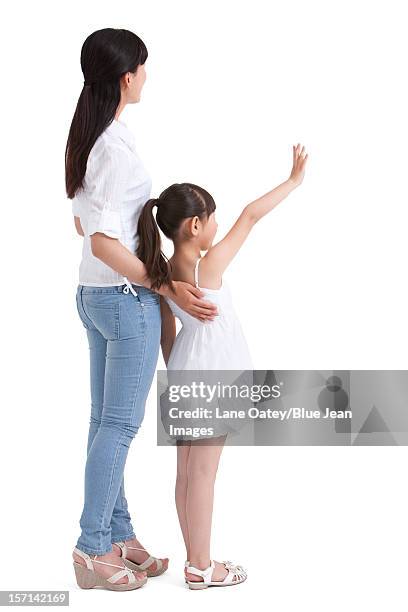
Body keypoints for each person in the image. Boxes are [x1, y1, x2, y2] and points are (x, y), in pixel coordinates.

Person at [65, 28, 218, 592]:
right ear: (127, 78)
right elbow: (103, 239)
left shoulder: (90, 137)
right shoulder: (109, 146)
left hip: (94, 296)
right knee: (118, 425)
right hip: (125, 301)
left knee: (105, 423)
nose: (147, 78)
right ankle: (91, 548)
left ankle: (117, 533)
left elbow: (81, 224)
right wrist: (165, 285)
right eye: (144, 70)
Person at [136, 143, 308, 588]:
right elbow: (250, 215)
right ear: (195, 225)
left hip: (185, 372)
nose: (218, 224)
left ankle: (195, 559)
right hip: (216, 375)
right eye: (213, 217)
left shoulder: (164, 272)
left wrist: (177, 375)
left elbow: (166, 333)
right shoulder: (207, 269)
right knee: (204, 475)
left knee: (186, 473)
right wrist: (292, 182)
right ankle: (202, 566)